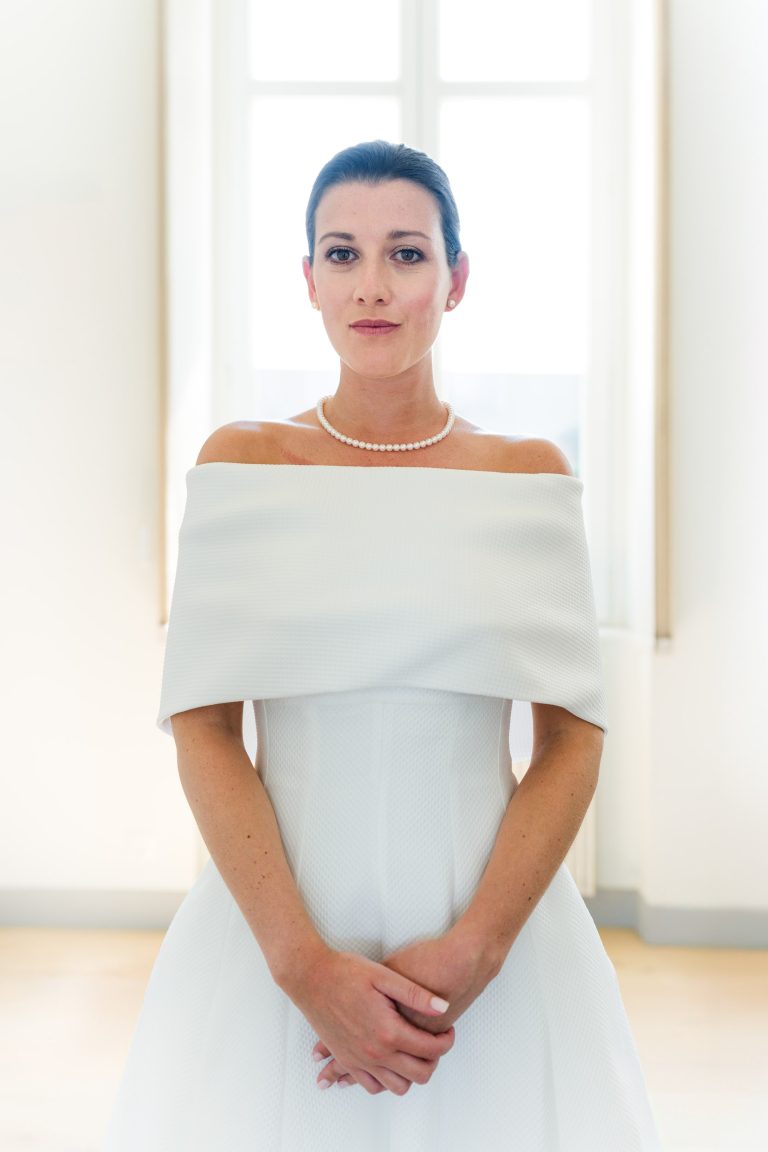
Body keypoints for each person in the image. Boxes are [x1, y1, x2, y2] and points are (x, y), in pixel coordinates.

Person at [103, 140, 663, 1149]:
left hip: (486, 940)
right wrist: (302, 968)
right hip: (276, 932)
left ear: (455, 281)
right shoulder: (244, 463)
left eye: (406, 254)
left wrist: (479, 950)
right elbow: (205, 730)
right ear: (308, 280)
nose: (373, 284)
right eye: (342, 253)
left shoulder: (524, 477)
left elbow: (573, 740)